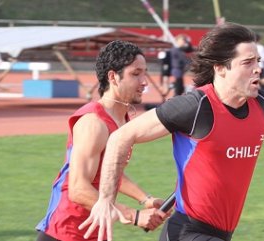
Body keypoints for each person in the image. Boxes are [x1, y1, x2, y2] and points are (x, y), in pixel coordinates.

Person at [79, 23, 264, 241]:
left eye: (258, 62)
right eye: (247, 63)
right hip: (188, 231)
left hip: (220, 233)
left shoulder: (262, 103)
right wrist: (105, 200)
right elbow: (119, 137)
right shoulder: (195, 107)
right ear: (221, 69)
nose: (258, 69)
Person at [35, 40, 168, 241]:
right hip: (65, 232)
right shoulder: (94, 122)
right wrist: (134, 215)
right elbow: (78, 189)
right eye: (135, 74)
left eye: (144, 73)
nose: (144, 81)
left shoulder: (121, 120)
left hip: (94, 231)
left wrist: (145, 199)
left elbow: (109, 171)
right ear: (113, 77)